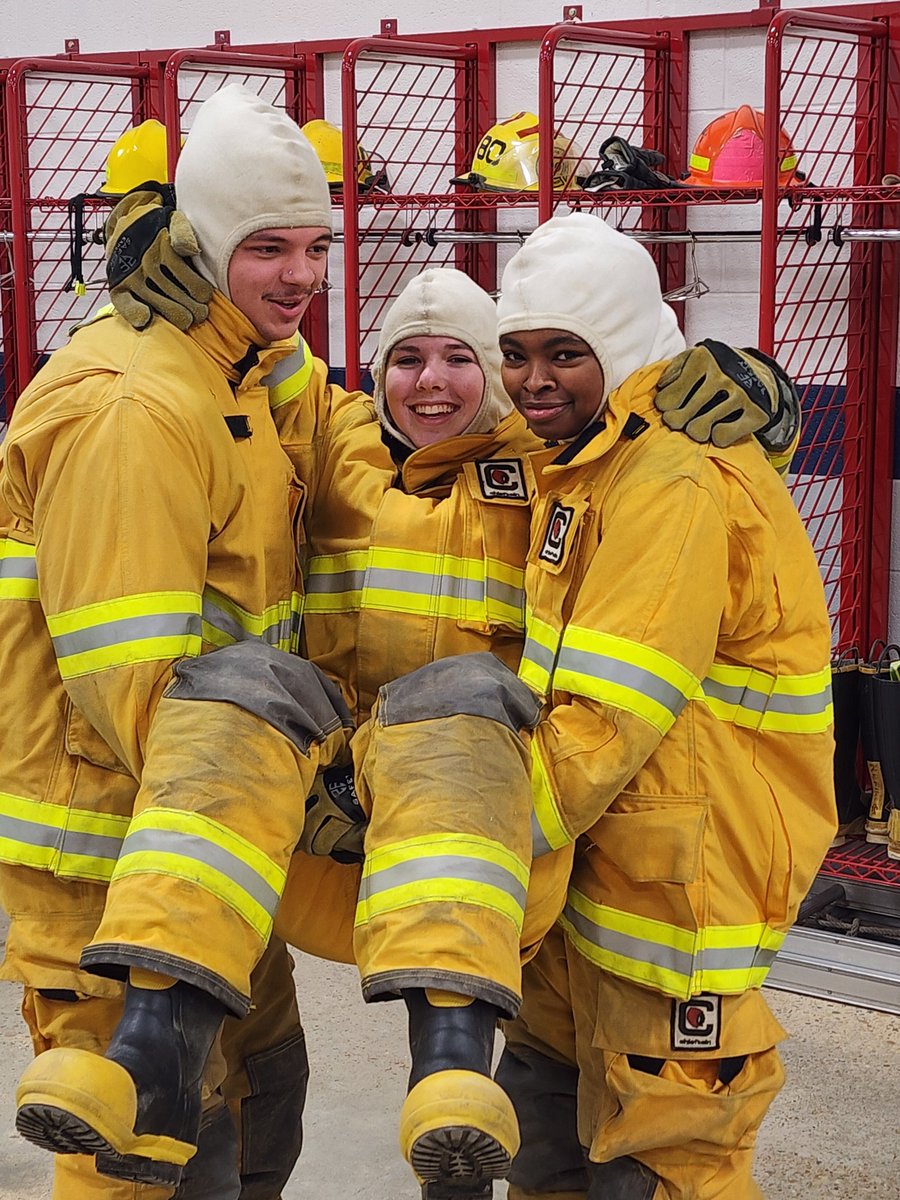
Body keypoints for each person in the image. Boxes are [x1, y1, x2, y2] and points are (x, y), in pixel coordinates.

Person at [96, 196, 804, 1197]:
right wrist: (158, 272)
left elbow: (664, 455)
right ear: (372, 375)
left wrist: (756, 396)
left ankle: (450, 1079)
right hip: (468, 836)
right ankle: (175, 1046)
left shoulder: (562, 461)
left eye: (471, 358)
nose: (437, 381)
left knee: (655, 1135)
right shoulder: (348, 439)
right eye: (410, 359)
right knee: (556, 1109)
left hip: (571, 846)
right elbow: (253, 358)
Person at [412, 210, 834, 1199]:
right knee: (545, 1130)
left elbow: (605, 721)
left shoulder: (670, 478)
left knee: (668, 1159)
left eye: (566, 352)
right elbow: (434, 456)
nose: (532, 380)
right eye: (514, 353)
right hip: (602, 879)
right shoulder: (592, 451)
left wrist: (457, 841)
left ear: (626, 345)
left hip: (682, 900)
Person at [0, 83, 356, 1197]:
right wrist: (319, 781)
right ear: (200, 243)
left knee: (261, 1107)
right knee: (146, 1145)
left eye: (315, 244)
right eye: (267, 248)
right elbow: (134, 689)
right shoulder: (134, 408)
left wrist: (626, 387)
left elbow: (317, 417)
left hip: (209, 836)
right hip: (115, 852)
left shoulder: (233, 365)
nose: (302, 274)